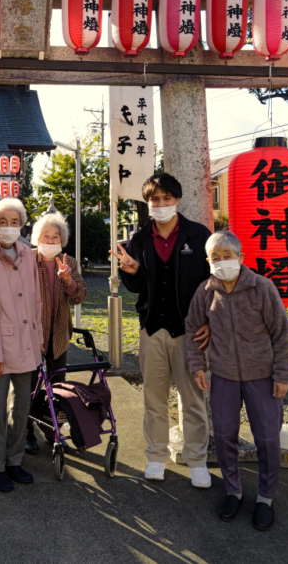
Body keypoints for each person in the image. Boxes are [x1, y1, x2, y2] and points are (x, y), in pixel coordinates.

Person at [184, 230, 288, 532]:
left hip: (263, 377)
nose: (222, 262)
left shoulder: (262, 288)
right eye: (215, 258)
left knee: (268, 439)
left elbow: (282, 335)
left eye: (227, 256)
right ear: (208, 261)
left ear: (241, 258)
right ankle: (233, 490)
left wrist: (284, 375)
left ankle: (266, 498)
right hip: (223, 377)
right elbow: (192, 328)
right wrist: (197, 366)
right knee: (223, 436)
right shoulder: (206, 291)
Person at [110, 173, 212, 487]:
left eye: (167, 198)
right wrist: (131, 272)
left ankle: (196, 460)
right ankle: (156, 457)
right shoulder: (138, 240)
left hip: (191, 330)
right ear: (148, 203)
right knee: (153, 398)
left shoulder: (198, 236)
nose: (161, 204)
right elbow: (138, 287)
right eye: (155, 199)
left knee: (192, 398)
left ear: (177, 200)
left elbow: (213, 284)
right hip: (152, 328)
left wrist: (210, 320)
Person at [0, 198, 42, 492]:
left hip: (27, 345)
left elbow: (36, 300)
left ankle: (15, 461)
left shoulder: (29, 254)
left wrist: (38, 340)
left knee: (22, 406)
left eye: (15, 222)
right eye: (3, 222)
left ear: (22, 225)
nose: (9, 227)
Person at [25, 211, 88, 454]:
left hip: (59, 336)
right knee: (28, 389)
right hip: (31, 337)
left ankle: (52, 431)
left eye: (55, 236)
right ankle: (26, 432)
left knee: (57, 388)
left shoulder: (69, 262)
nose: (50, 240)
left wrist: (69, 281)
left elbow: (79, 296)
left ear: (62, 240)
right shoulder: (27, 259)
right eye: (46, 235)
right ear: (36, 237)